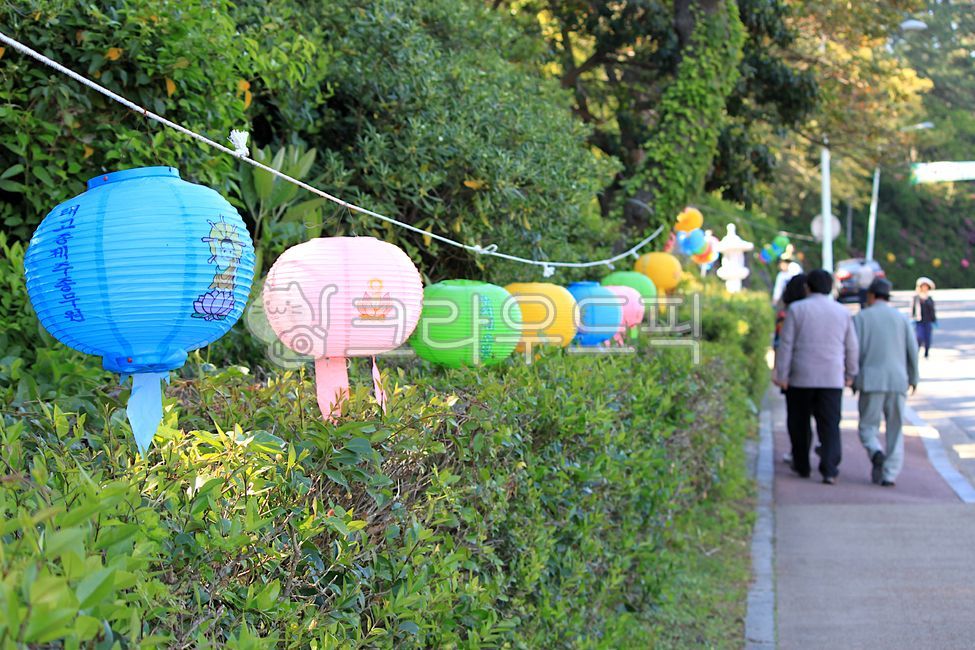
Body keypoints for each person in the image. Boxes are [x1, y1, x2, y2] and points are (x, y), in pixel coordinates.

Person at [774, 269, 859, 484]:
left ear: (807, 287)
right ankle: (829, 469)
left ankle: (802, 465)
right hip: (831, 377)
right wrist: (851, 373)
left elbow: (786, 345)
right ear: (831, 287)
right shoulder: (842, 312)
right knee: (829, 424)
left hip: (801, 377)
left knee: (799, 422)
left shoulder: (797, 309)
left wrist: (781, 374)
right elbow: (852, 347)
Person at [853, 278, 919, 487]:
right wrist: (914, 377)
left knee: (867, 426)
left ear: (871, 296)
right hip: (898, 380)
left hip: (870, 380)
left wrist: (852, 377)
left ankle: (875, 451)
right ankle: (890, 474)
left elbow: (853, 352)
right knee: (895, 428)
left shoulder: (861, 318)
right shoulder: (901, 319)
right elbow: (912, 350)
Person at [912, 277, 937, 358]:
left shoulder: (929, 298)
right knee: (919, 337)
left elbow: (932, 310)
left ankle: (926, 353)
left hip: (928, 321)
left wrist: (934, 320)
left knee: (927, 338)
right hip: (919, 321)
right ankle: (917, 351)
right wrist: (913, 318)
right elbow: (913, 309)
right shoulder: (916, 297)